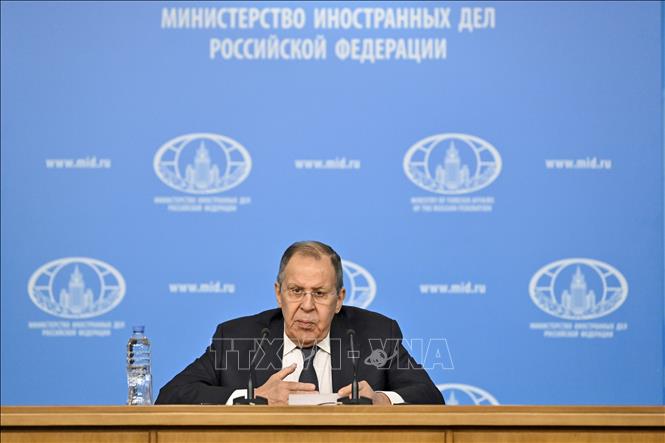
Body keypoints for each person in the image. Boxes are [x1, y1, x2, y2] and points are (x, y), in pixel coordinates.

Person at [156, 241, 444, 405]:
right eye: (296, 291)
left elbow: (429, 396)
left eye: (319, 293)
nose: (307, 305)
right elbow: (170, 396)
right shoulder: (235, 337)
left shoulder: (377, 334)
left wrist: (381, 400)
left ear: (339, 299)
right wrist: (254, 397)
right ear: (278, 294)